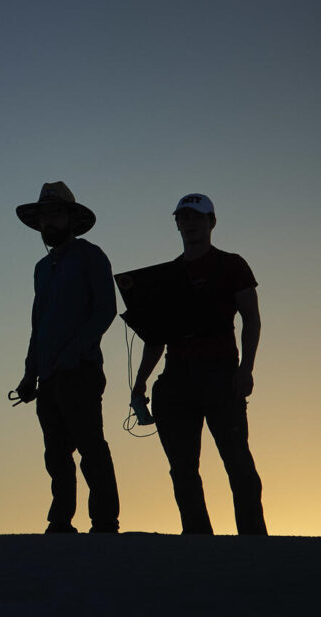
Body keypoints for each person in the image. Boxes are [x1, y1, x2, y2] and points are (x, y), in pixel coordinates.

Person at [130, 194, 266, 535]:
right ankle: (197, 539)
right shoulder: (167, 275)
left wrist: (246, 369)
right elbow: (156, 337)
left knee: (237, 460)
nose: (189, 223)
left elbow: (251, 319)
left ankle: (254, 541)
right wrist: (140, 383)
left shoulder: (232, 265)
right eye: (184, 217)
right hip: (176, 378)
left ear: (211, 222)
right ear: (177, 223)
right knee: (182, 467)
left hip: (221, 374)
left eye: (197, 217)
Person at [14, 181, 120, 534]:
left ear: (71, 219)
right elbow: (37, 324)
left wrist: (76, 352)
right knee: (55, 453)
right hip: (48, 376)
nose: (49, 222)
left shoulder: (91, 256)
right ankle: (60, 520)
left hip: (81, 370)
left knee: (91, 446)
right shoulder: (41, 269)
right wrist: (30, 374)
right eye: (44, 216)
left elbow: (105, 310)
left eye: (55, 214)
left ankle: (105, 521)